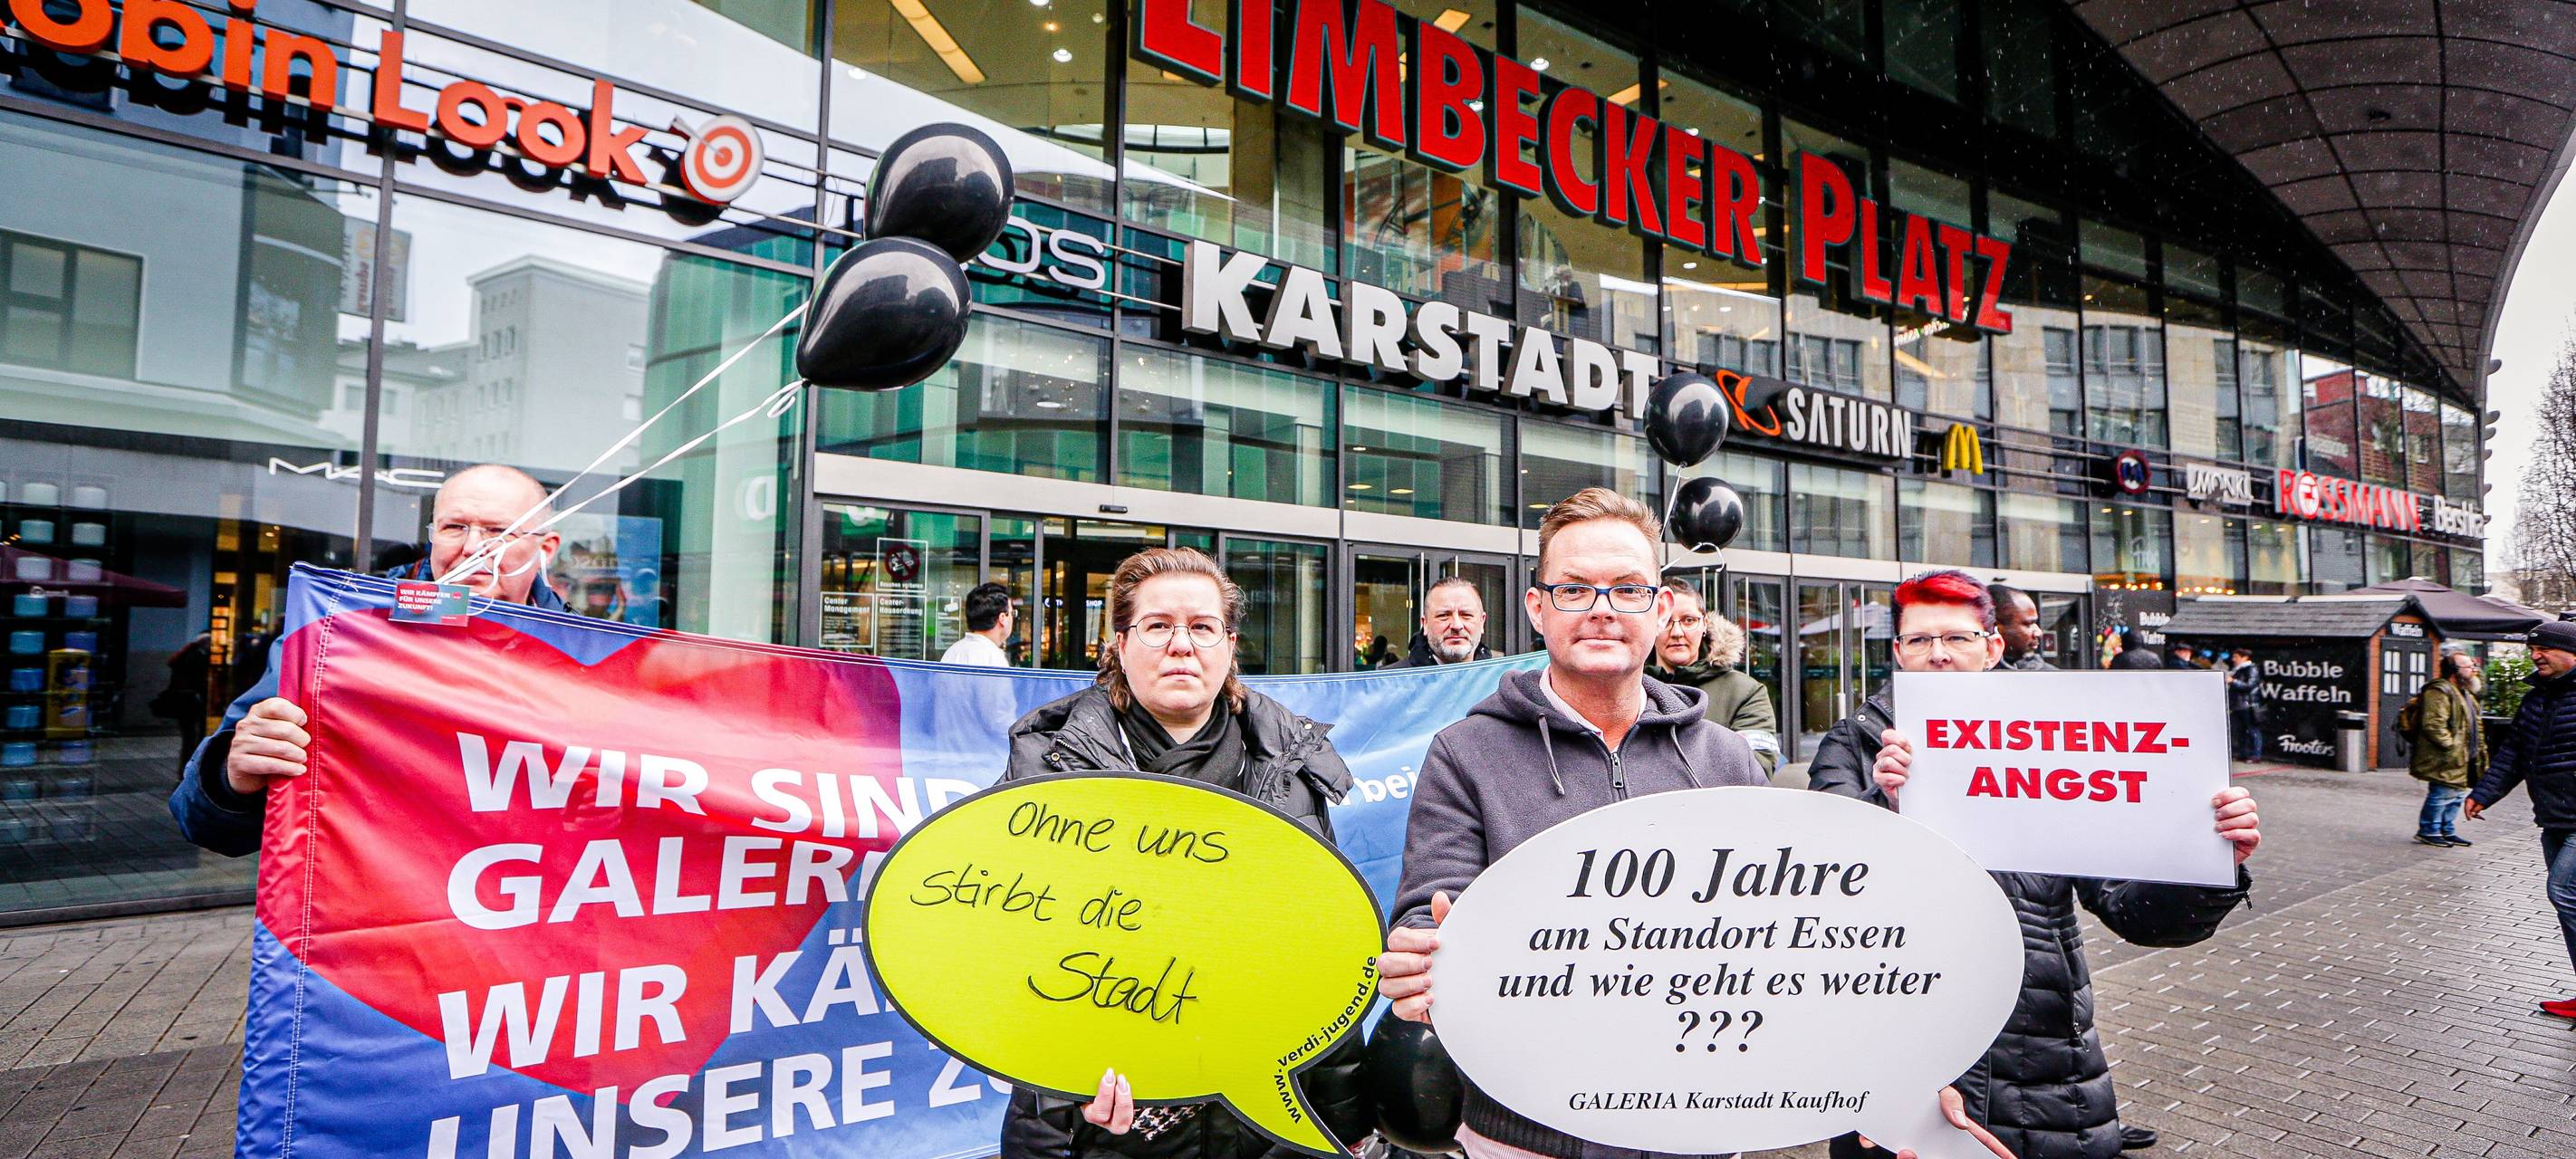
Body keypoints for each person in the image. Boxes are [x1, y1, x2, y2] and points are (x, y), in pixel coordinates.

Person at [1376, 490, 2002, 1159]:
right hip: (1529, 1134)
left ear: (1660, 607)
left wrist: (1893, 1085)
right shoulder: (1464, 752)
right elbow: (1429, 908)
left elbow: (1805, 941)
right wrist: (1421, 955)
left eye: (1627, 589)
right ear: (1537, 608)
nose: (1602, 610)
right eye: (1574, 590)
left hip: (1698, 1128)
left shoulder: (1724, 756)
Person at [1810, 570, 2262, 1159]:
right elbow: (1818, 889)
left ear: (1993, 647)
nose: (1938, 655)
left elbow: (2139, 914)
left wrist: (2207, 860)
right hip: (1895, 1055)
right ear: (1897, 651)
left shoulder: (2054, 741)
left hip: (2043, 1068)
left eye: (1958, 638)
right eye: (1919, 640)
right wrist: (1888, 807)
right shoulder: (1853, 744)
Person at [997, 546, 1370, 1159]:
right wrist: (1062, 1091)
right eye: (1157, 626)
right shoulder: (1047, 770)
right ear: (1118, 643)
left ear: (1229, 646)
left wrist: (1341, 1115)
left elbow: (1324, 950)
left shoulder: (1289, 766)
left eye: (1201, 627)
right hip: (1100, 1126)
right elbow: (1011, 952)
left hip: (1266, 1120)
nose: (1181, 645)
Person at [169, 465, 569, 857]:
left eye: (498, 531)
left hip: (518, 897)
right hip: (378, 899)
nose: (471, 547)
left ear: (545, 548)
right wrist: (232, 779)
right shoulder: (344, 630)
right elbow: (203, 823)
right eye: (454, 527)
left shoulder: (586, 655)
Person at [2463, 619, 2576, 1020]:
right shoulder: (2537, 698)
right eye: (2532, 649)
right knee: (2568, 905)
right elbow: (2513, 752)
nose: (2534, 655)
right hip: (2556, 818)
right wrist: (2483, 793)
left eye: (2543, 648)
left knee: (2564, 890)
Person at [1648, 580, 1781, 775]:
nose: (1677, 632)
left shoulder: (1744, 692)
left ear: (1704, 625)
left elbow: (1757, 768)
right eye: (1667, 621)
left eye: (1688, 620)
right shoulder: (1626, 687)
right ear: (1653, 625)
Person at [2407, 650, 2486, 848]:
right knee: (2442, 794)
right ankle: (2429, 830)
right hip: (2446, 755)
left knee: (2457, 794)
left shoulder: (2463, 691)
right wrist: (2451, 746)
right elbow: (2433, 724)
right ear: (2454, 670)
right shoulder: (2440, 690)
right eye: (2469, 666)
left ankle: (2446, 829)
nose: (2474, 670)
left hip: (2462, 754)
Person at [1388, 578, 1492, 667]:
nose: (1456, 625)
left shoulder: (1502, 681)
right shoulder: (1388, 683)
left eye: (1466, 615)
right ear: (1425, 624)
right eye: (1444, 615)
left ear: (1482, 622)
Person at [941, 581, 1016, 666]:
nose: (1012, 618)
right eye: (1012, 613)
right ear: (1002, 618)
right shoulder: (993, 658)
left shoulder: (952, 652)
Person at [1988, 583, 2052, 671]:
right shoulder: (1972, 671)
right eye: (2029, 624)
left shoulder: (2044, 674)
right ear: (1995, 627)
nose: (2039, 633)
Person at [2226, 647, 2263, 760]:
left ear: (2245, 657)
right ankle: (2243, 753)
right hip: (2238, 704)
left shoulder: (2251, 669)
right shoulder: (2238, 669)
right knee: (2241, 731)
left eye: (2236, 657)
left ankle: (2255, 755)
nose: (2233, 659)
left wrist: (2233, 681)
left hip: (2248, 704)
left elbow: (2250, 685)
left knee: (2252, 730)